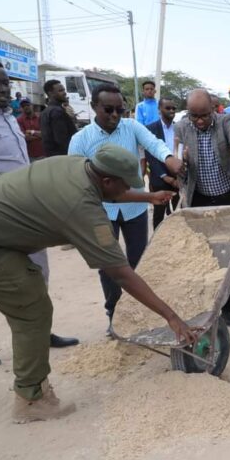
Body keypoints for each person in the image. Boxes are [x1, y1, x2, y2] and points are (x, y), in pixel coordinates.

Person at [0, 143, 196, 422]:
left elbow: (109, 191)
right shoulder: (81, 208)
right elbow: (120, 273)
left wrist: (147, 197)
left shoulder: (77, 165)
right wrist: (172, 317)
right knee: (31, 307)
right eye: (123, 184)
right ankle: (32, 399)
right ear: (106, 179)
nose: (124, 188)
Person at [0, 58, 79, 356]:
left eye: (5, 82)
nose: (3, 88)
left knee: (39, 273)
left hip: (28, 215)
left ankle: (40, 331)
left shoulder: (7, 117)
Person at [68, 83, 183, 333]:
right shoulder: (80, 140)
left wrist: (169, 158)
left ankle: (140, 312)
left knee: (139, 262)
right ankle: (114, 313)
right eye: (108, 109)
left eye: (120, 110)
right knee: (108, 265)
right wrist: (150, 196)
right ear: (93, 107)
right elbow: (78, 185)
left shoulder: (131, 127)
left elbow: (154, 143)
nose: (115, 116)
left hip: (134, 210)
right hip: (100, 214)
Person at [174, 89, 230, 328]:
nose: (199, 121)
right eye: (194, 116)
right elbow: (179, 160)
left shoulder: (224, 120)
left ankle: (227, 307)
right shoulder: (182, 127)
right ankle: (206, 305)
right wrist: (182, 162)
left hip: (229, 196)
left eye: (204, 115)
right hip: (198, 197)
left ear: (213, 110)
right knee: (202, 253)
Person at [145, 97, 179, 229]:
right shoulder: (150, 129)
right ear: (159, 109)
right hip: (160, 178)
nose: (171, 110)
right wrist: (165, 177)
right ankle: (158, 242)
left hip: (177, 178)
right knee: (159, 213)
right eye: (168, 108)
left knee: (178, 211)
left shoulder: (179, 128)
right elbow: (151, 156)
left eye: (173, 108)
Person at [40, 79, 78, 157]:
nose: (64, 93)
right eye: (60, 90)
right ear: (50, 93)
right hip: (62, 157)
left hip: (51, 157)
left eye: (64, 90)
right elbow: (62, 140)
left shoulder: (45, 112)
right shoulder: (57, 112)